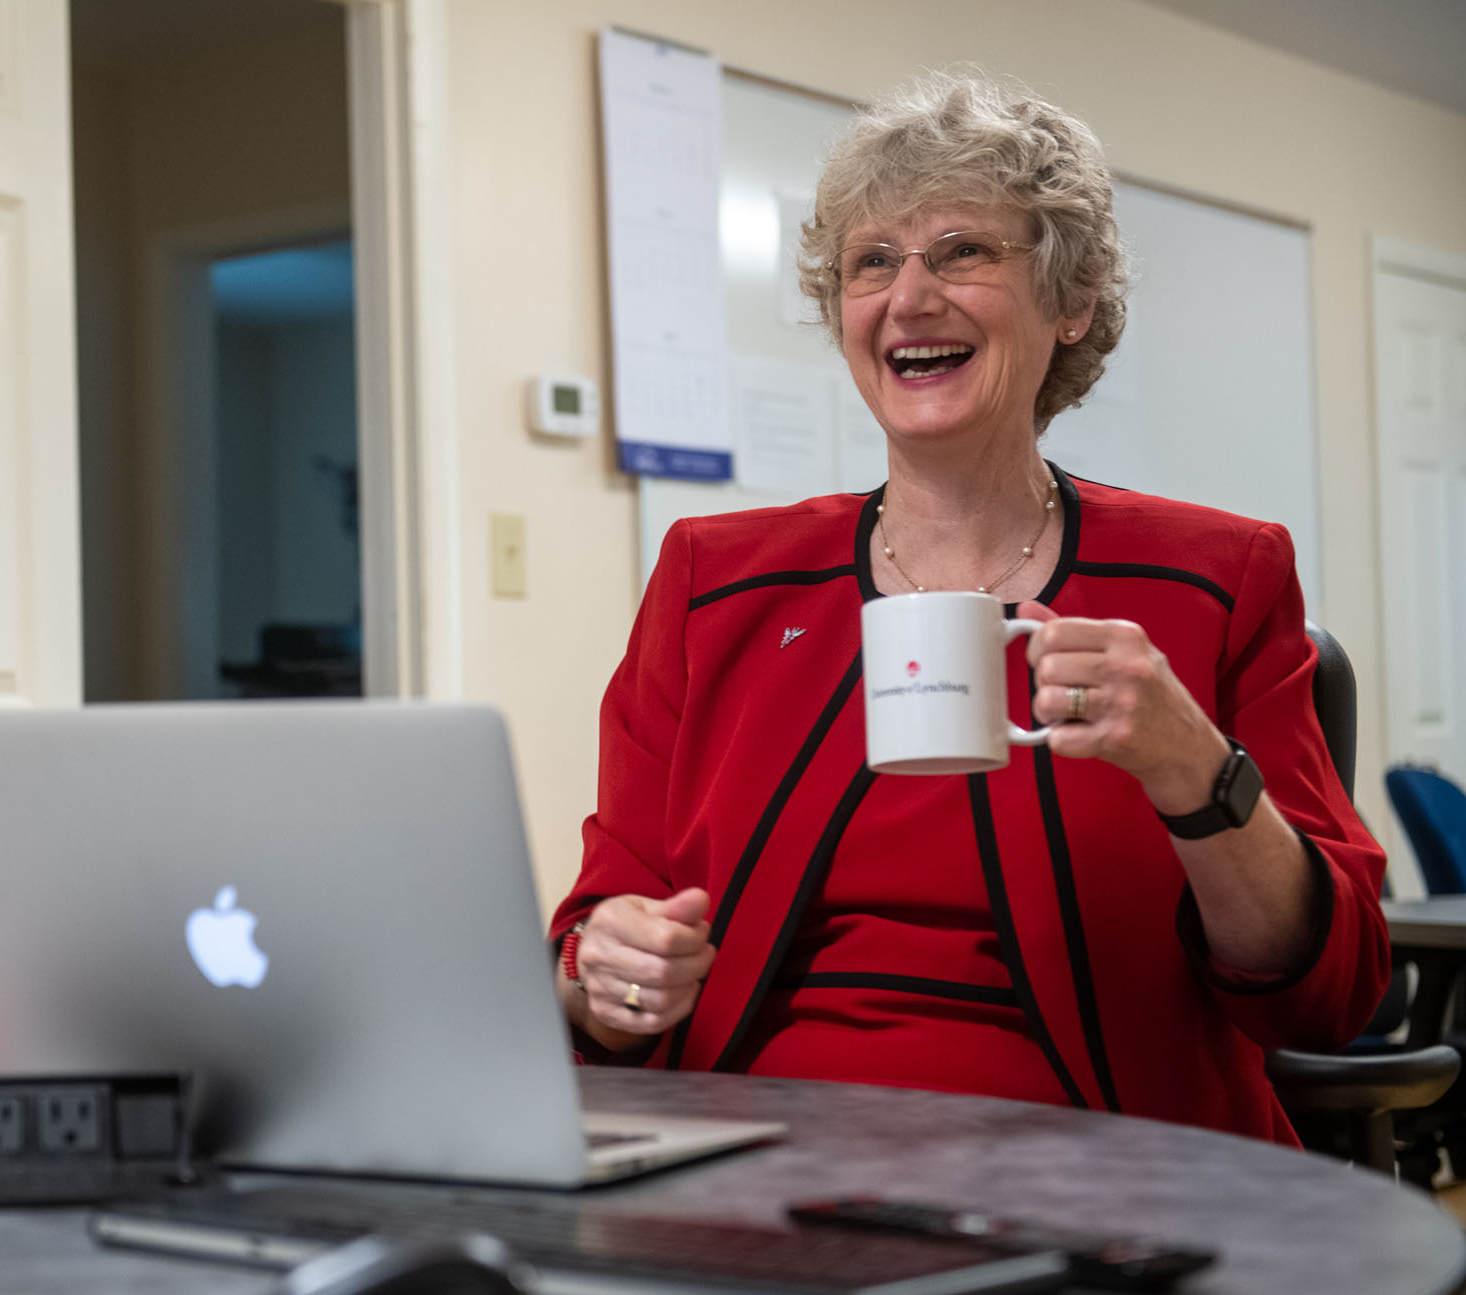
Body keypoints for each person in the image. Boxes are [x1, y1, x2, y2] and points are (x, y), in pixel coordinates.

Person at [550, 70, 1387, 1143]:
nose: (909, 296)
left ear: (1070, 301)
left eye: (963, 251)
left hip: (1111, 1171)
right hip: (745, 1156)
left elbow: (1328, 989)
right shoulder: (718, 579)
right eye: (872, 262)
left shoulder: (1216, 575)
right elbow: (598, 938)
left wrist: (1193, 770)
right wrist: (603, 970)